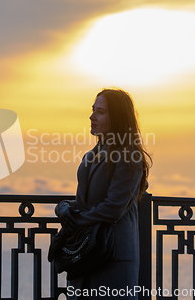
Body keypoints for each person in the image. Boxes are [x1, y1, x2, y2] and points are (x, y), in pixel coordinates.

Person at [55, 88, 151, 300]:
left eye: (100, 112)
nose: (92, 117)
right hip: (86, 253)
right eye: (93, 110)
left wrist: (75, 219)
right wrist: (63, 207)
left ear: (116, 118)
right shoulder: (92, 155)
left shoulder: (129, 155)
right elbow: (86, 201)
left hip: (112, 256)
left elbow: (113, 208)